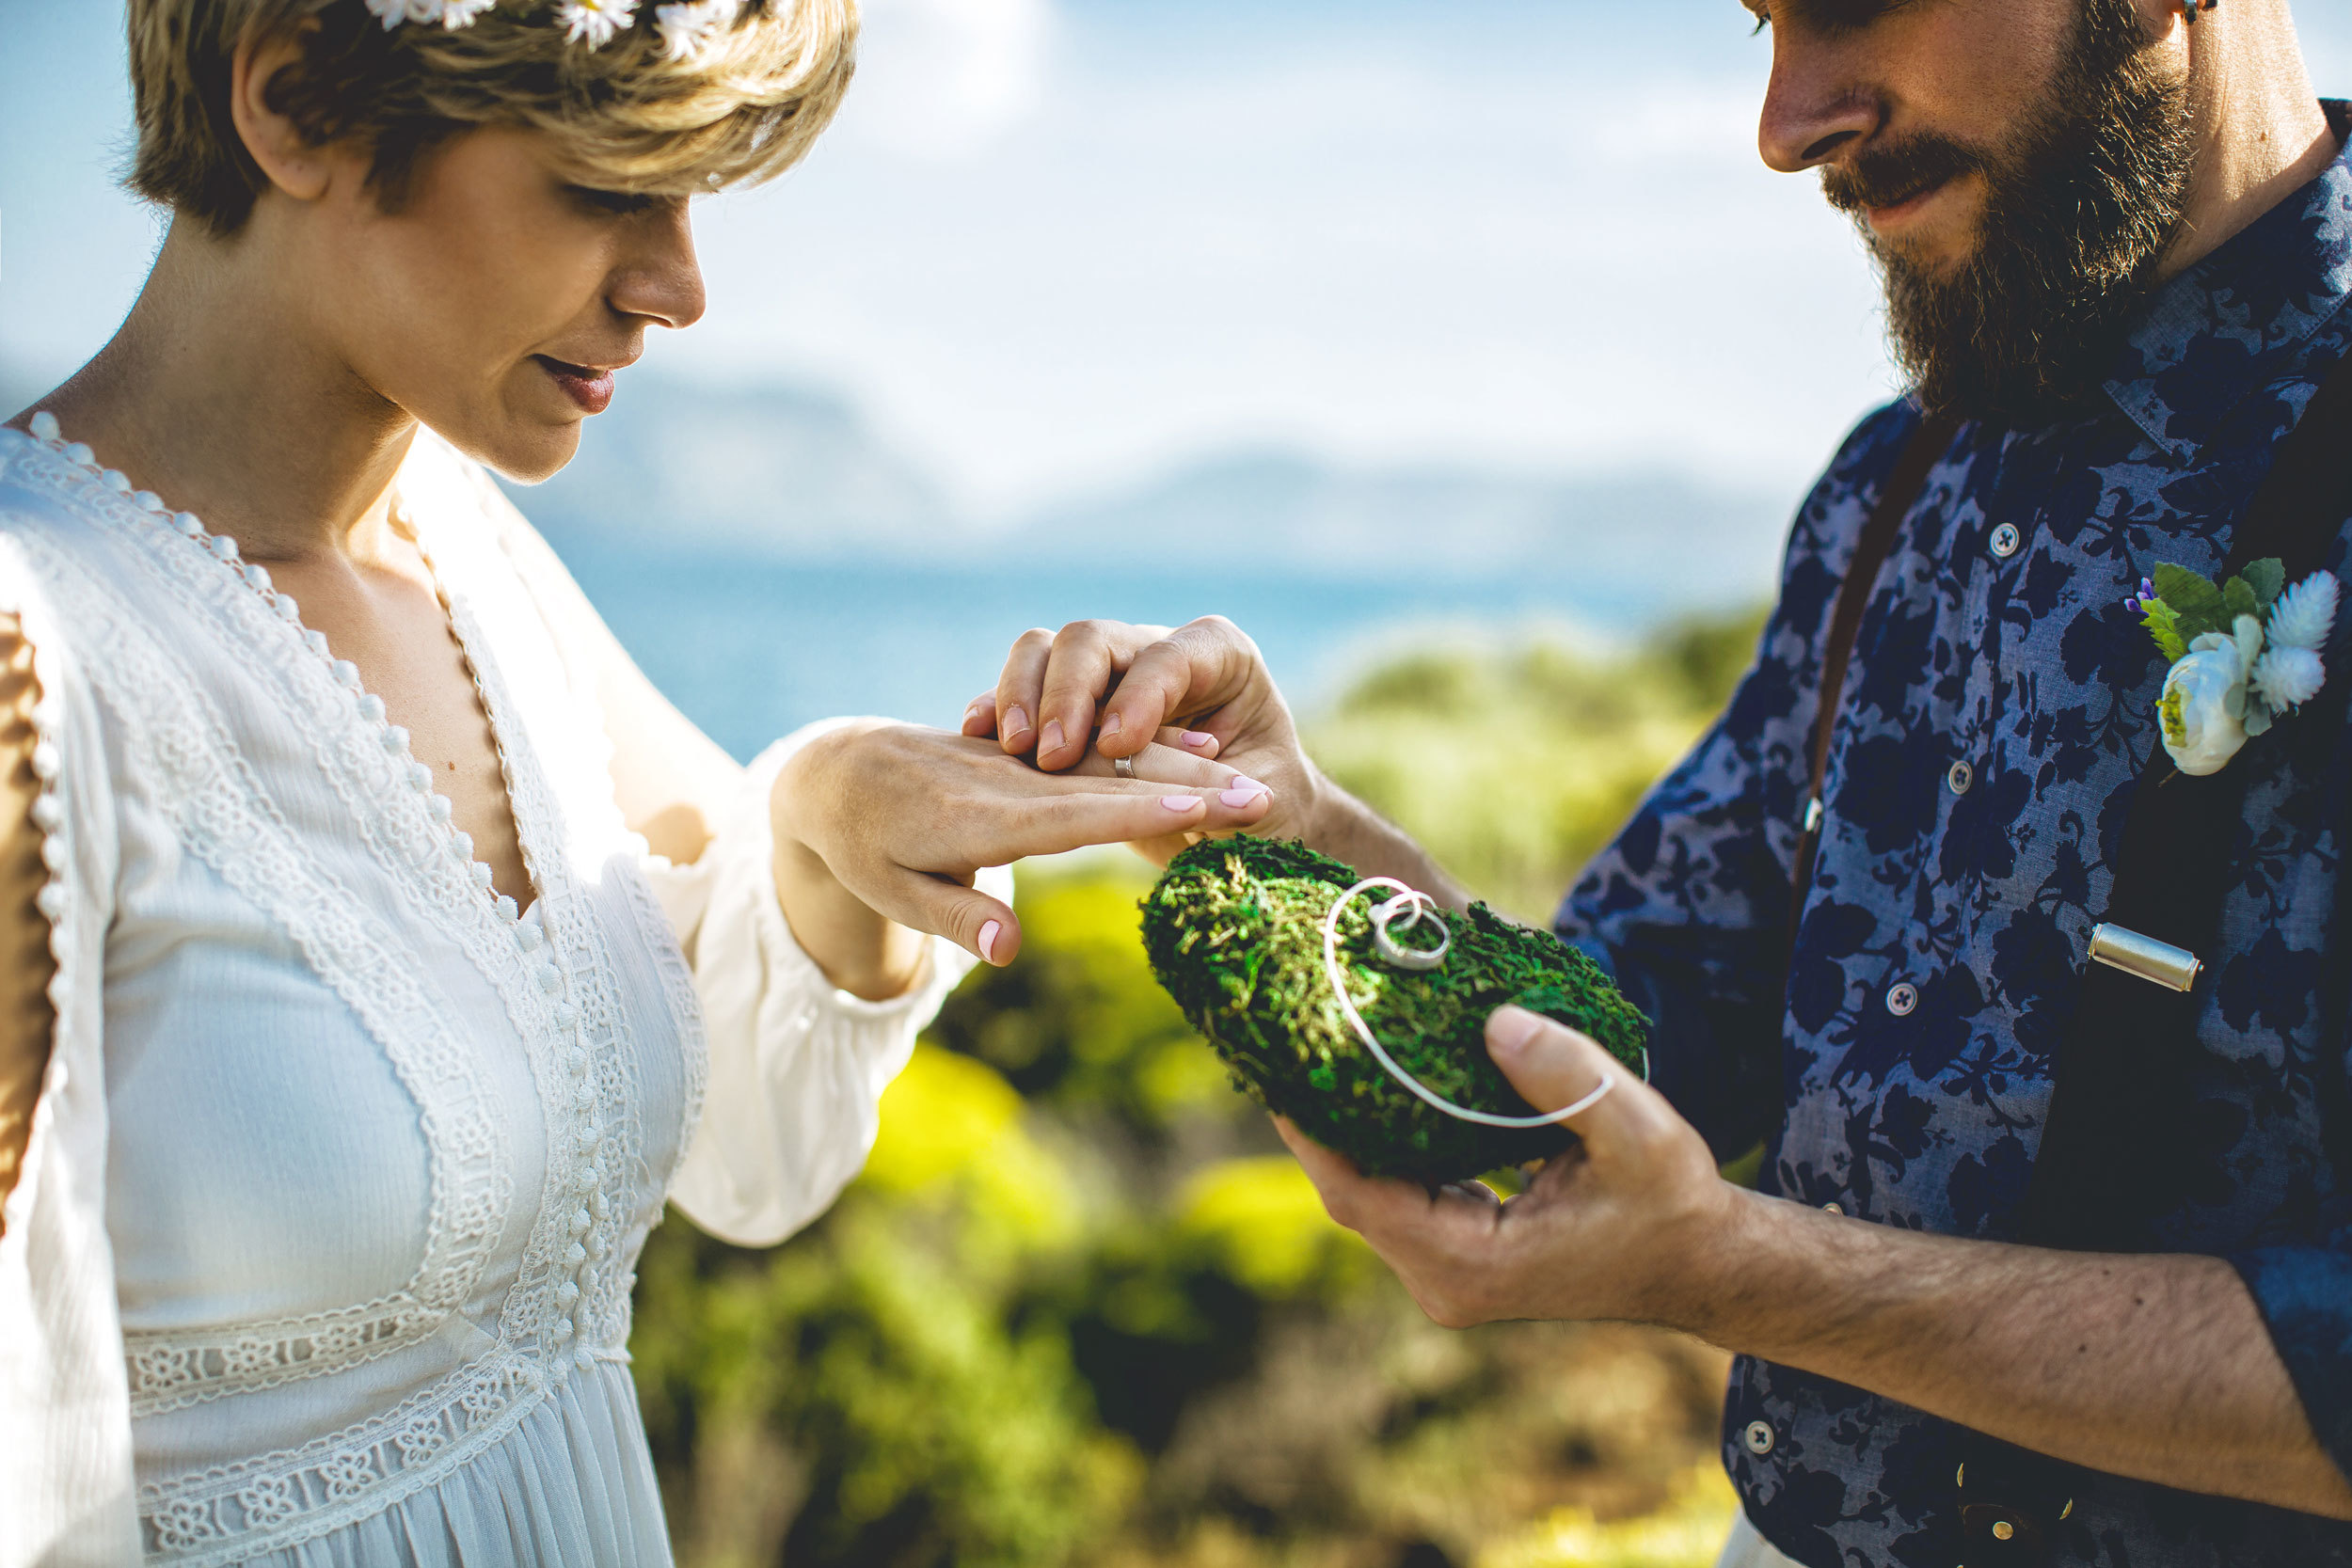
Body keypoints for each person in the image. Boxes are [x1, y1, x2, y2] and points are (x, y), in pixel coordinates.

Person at [971, 1, 2352, 1563]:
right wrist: (1296, 831)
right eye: (1761, 21)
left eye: (1845, 5)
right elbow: (1617, 1032)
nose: (1784, 123)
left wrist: (1733, 1273)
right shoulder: (1885, 492)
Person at [0, 2, 1277, 1562]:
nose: (678, 288)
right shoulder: (36, 658)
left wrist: (834, 809)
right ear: (294, 105)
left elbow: (746, 1144)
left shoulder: (466, 554)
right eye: (611, 188)